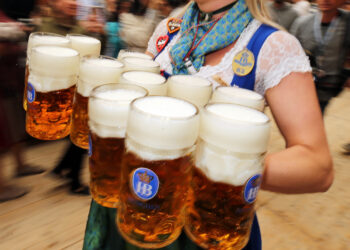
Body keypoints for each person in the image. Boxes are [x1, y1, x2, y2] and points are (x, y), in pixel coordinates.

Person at [83, 0, 333, 249]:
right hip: (133, 207)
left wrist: (222, 167)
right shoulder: (170, 29)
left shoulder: (273, 45)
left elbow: (317, 167)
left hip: (206, 224)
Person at [36, 0, 93, 195]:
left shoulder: (77, 26)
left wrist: (96, 33)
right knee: (81, 133)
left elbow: (87, 58)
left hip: (77, 89)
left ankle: (63, 169)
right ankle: (73, 179)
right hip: (58, 94)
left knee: (81, 131)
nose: (72, 2)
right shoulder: (46, 28)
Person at [0, 9, 44, 202]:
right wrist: (16, 39)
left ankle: (21, 165)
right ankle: (1, 187)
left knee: (15, 127)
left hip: (9, 81)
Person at [290, 0, 350, 114]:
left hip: (328, 86)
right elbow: (289, 54)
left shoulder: (347, 22)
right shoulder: (302, 23)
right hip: (303, 85)